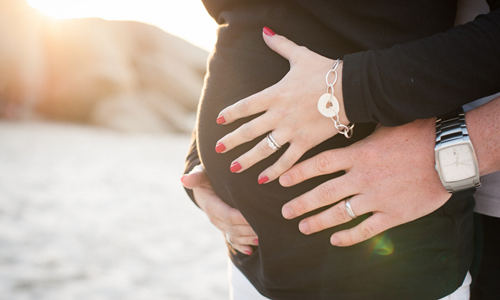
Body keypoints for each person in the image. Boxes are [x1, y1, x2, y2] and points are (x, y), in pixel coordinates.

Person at [182, 0, 500, 299]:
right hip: (253, 261)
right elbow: (247, 26)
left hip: (390, 265)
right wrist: (203, 153)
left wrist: (348, 91)